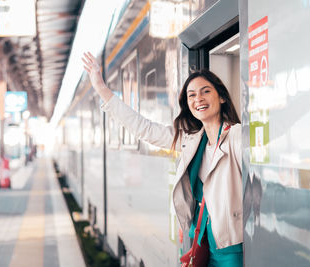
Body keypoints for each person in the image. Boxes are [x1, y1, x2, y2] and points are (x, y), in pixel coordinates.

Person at [82, 52, 243, 266]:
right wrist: (101, 88)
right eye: (192, 95)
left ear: (221, 97)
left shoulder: (236, 136)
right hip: (202, 246)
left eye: (206, 92)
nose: (199, 99)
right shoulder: (191, 141)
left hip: (231, 249)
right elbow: (144, 129)